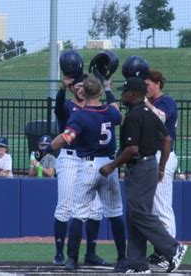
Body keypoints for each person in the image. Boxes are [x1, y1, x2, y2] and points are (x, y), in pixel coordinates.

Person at [99, 77, 187, 274]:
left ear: (135, 94)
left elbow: (131, 149)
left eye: (125, 92)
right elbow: (167, 139)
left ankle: (173, 248)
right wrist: (162, 166)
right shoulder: (149, 112)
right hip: (150, 166)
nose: (123, 95)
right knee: (134, 215)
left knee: (139, 213)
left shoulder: (134, 116)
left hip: (139, 167)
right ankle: (138, 265)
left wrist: (111, 166)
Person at [46, 75, 127, 272]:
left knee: (79, 213)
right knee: (115, 213)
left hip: (88, 166)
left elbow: (66, 137)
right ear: (99, 91)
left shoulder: (80, 115)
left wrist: (48, 148)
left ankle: (71, 259)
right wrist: (109, 90)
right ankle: (122, 259)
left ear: (86, 92)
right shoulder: (109, 111)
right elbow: (120, 116)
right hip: (109, 164)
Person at [52, 50, 107, 267]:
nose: (81, 89)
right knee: (65, 205)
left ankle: (90, 253)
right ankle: (59, 253)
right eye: (78, 86)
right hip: (69, 157)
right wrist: (62, 88)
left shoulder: (94, 107)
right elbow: (58, 109)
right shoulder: (68, 106)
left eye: (84, 86)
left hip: (89, 160)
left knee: (95, 209)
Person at [143, 69, 179, 264]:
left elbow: (161, 118)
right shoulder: (153, 102)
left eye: (148, 84)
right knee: (154, 209)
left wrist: (144, 102)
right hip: (152, 156)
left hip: (163, 156)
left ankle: (169, 252)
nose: (145, 88)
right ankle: (161, 251)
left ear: (157, 83)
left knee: (162, 207)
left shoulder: (166, 101)